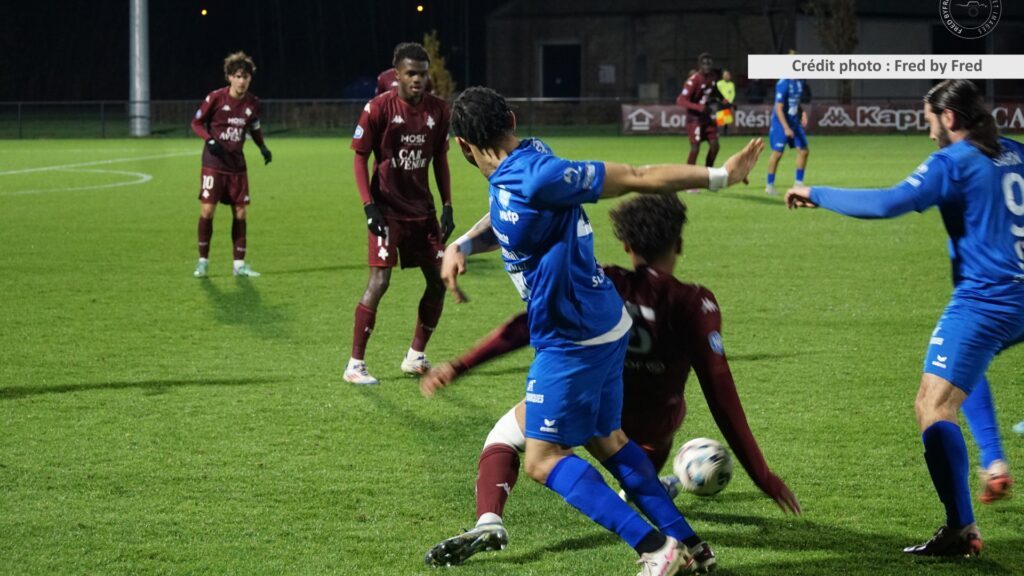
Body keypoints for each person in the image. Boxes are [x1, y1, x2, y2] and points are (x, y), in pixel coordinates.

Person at [435, 85, 763, 576]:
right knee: (609, 439)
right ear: (513, 119)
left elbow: (636, 176)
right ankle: (694, 547)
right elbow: (505, 218)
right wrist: (461, 243)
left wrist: (722, 175)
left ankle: (655, 548)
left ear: (461, 146)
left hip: (571, 338)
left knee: (542, 460)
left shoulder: (539, 175)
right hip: (604, 324)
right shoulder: (529, 160)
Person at [421, 194, 800, 569]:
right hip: (656, 425)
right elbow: (721, 392)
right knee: (617, 451)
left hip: (595, 396)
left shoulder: (607, 282)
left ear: (626, 244)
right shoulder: (694, 302)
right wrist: (760, 473)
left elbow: (525, 324)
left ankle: (493, 520)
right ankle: (693, 546)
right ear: (679, 244)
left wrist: (460, 364)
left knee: (515, 441)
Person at [785, 79, 1024, 556]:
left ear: (949, 118)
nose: (926, 127)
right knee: (961, 372)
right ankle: (993, 462)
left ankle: (960, 529)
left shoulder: (953, 162)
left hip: (988, 300)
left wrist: (817, 192)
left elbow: (888, 203)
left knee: (932, 405)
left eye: (929, 117)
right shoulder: (1017, 151)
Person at [344, 42, 455, 385]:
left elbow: (440, 159)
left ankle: (415, 356)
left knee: (439, 281)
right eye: (411, 73)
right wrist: (368, 205)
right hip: (388, 211)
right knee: (380, 280)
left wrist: (448, 204)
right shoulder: (378, 107)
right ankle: (355, 365)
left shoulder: (439, 110)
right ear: (398, 75)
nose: (418, 79)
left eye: (423, 73)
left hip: (423, 212)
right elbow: (360, 157)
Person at [190, 51, 272, 278]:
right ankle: (203, 262)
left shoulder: (253, 103)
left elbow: (254, 128)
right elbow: (196, 123)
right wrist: (210, 140)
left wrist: (262, 147)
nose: (242, 81)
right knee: (207, 210)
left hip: (237, 166)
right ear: (229, 77)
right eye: (238, 76)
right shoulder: (215, 98)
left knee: (241, 212)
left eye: (246, 77)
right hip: (213, 164)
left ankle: (239, 265)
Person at [676, 54, 727, 176]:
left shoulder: (713, 77)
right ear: (699, 65)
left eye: (709, 64)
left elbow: (715, 91)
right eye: (704, 64)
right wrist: (699, 107)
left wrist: (726, 102)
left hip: (707, 117)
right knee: (695, 148)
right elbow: (680, 100)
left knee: (715, 146)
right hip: (694, 119)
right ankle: (687, 178)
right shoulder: (694, 79)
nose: (707, 66)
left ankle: (708, 174)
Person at [765, 60, 809, 196]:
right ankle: (770, 185)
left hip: (794, 120)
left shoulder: (800, 81)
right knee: (777, 153)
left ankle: (798, 183)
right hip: (780, 122)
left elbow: (795, 101)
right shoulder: (783, 83)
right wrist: (785, 128)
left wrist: (803, 112)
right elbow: (778, 108)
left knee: (804, 151)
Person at [716, 70, 736, 136]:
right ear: (722, 76)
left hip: (728, 103)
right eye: (725, 75)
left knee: (727, 119)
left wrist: (730, 101)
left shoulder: (731, 84)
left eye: (728, 75)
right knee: (721, 118)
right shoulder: (719, 83)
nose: (727, 76)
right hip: (721, 102)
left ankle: (725, 133)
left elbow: (732, 93)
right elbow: (717, 93)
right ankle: (718, 132)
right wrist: (722, 100)